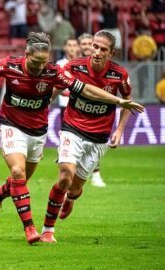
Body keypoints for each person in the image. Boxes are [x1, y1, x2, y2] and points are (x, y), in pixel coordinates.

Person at [0, 32, 144, 244]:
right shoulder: (9, 65)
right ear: (26, 55)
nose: (40, 67)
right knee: (17, 173)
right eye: (35, 62)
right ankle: (31, 229)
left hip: (38, 131)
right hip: (12, 125)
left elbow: (83, 89)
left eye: (44, 62)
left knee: (22, 182)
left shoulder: (53, 72)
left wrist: (118, 101)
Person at [40, 30, 143, 243]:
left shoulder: (119, 75)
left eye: (103, 49)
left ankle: (71, 198)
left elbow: (127, 102)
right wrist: (43, 105)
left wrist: (120, 130)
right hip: (72, 128)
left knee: (75, 189)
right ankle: (47, 230)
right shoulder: (74, 66)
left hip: (99, 137)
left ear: (111, 53)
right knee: (65, 175)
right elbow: (57, 89)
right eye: (95, 46)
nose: (96, 52)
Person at [78, 32, 106, 187]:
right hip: (70, 106)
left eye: (91, 43)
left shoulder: (100, 67)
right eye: (84, 44)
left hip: (93, 108)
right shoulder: (72, 64)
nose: (88, 46)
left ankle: (95, 174)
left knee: (93, 142)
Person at [56, 38, 79, 119]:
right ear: (64, 47)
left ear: (78, 48)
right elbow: (57, 85)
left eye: (74, 45)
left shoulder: (82, 64)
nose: (72, 48)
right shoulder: (59, 64)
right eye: (69, 45)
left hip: (79, 105)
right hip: (64, 103)